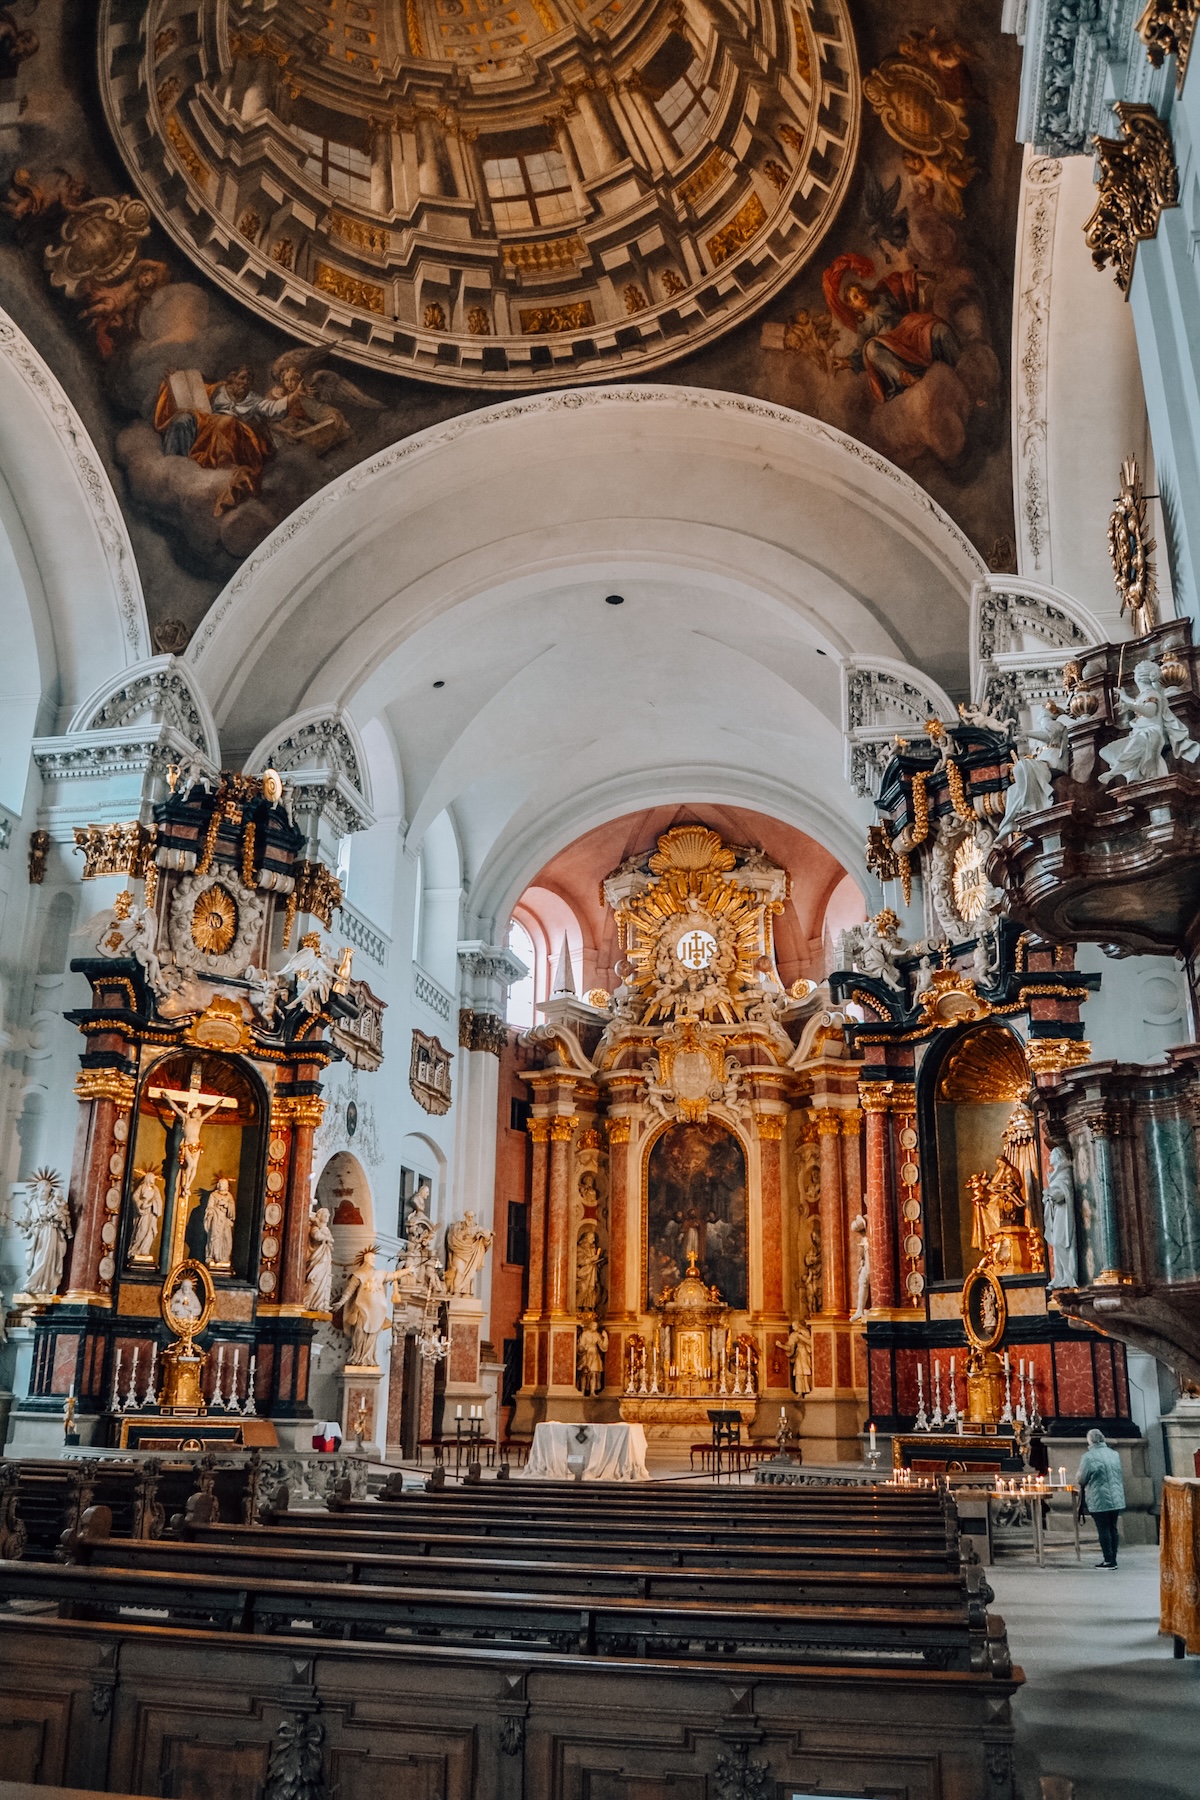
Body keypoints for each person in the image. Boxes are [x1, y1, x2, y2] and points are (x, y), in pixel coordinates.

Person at [1076, 1428, 1126, 1568]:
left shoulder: (1089, 1457)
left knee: (1103, 1529)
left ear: (1090, 1440)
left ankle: (1108, 1560)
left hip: (1100, 1497)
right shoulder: (1114, 1454)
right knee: (1112, 1528)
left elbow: (1082, 1478)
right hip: (1116, 1496)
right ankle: (1113, 1558)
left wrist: (1079, 1478)